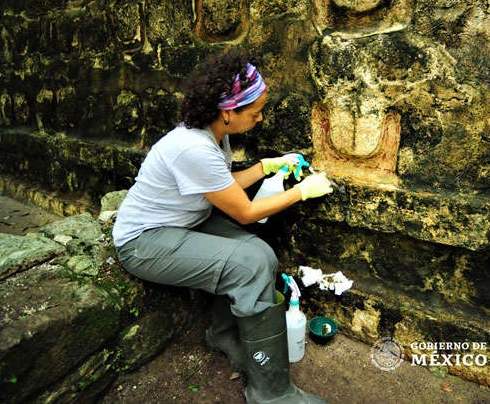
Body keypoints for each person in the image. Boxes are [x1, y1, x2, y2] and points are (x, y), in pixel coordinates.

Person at [112, 50, 332, 404]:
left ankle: (225, 334)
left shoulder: (214, 133)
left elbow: (221, 184)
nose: (260, 119)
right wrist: (302, 193)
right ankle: (271, 393)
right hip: (144, 243)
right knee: (251, 262)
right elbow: (244, 211)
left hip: (182, 223)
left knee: (260, 253)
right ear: (228, 112)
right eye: (255, 112)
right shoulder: (192, 147)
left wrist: (266, 167)